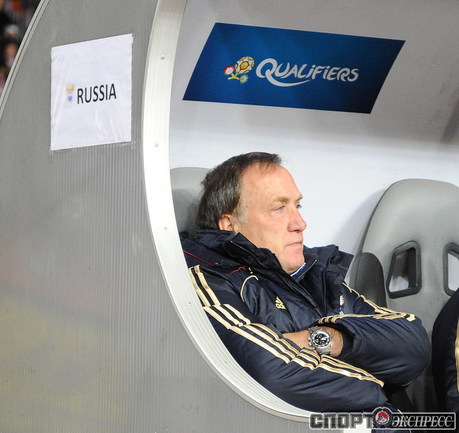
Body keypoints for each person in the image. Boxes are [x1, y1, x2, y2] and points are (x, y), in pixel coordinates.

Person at [181, 152, 430, 414]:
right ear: (229, 225)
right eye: (279, 208)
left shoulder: (313, 271)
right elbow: (270, 376)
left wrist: (324, 339)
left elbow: (414, 346)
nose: (300, 223)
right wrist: (380, 383)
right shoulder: (207, 281)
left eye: (297, 206)